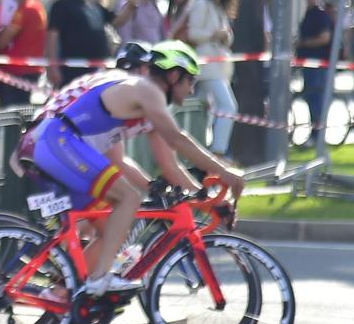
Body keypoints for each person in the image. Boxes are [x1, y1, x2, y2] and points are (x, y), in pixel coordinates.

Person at [23, 41, 244, 297]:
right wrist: (225, 173)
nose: (192, 88)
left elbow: (171, 166)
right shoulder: (145, 90)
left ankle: (61, 295)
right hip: (56, 142)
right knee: (128, 199)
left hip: (56, 143)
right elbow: (177, 139)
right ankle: (99, 279)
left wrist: (207, 200)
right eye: (189, 80)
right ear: (173, 75)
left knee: (112, 226)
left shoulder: (144, 101)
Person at [177, 0, 237, 155]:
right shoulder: (202, 4)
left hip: (220, 66)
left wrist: (225, 36)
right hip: (207, 66)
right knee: (228, 106)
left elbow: (228, 37)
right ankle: (218, 151)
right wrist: (213, 34)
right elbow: (193, 33)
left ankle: (198, 151)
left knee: (202, 110)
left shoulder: (219, 8)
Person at [48, 0, 111, 89]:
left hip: (96, 73)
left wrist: (130, 7)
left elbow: (117, 21)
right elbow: (52, 38)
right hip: (71, 74)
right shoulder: (61, 6)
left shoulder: (95, 7)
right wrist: (52, 67)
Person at [294, 0, 335, 139]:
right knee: (311, 97)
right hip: (308, 63)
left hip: (318, 63)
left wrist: (303, 43)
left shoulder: (320, 15)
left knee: (316, 97)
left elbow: (325, 38)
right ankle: (315, 131)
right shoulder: (308, 14)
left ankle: (317, 134)